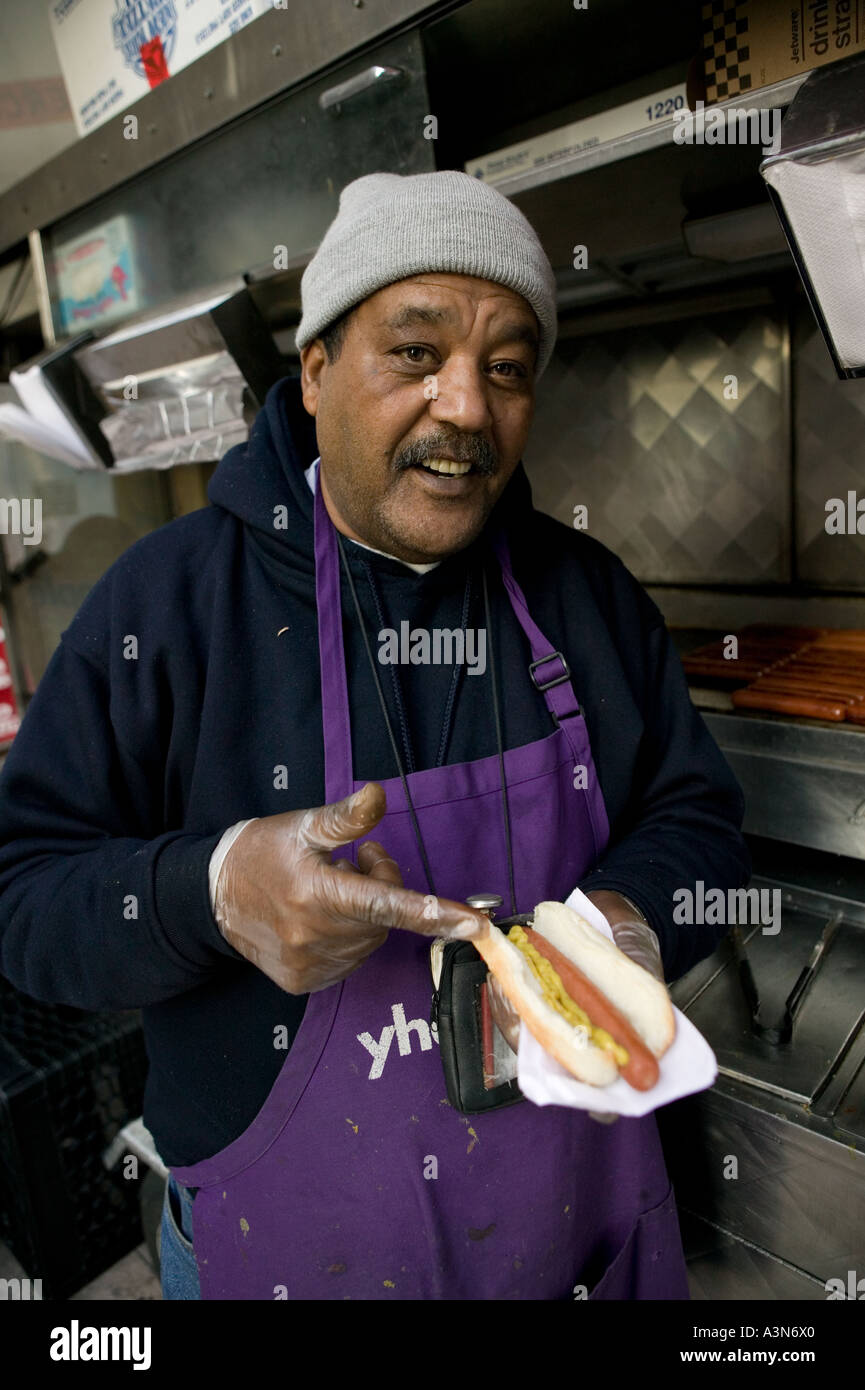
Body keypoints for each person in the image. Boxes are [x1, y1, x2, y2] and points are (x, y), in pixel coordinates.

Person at [0, 171, 749, 1301]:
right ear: (313, 372)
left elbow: (697, 815)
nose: (465, 407)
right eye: (414, 353)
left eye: (506, 369)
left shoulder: (583, 595)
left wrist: (617, 924)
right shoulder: (165, 610)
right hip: (298, 1249)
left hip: (571, 1232)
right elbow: (21, 891)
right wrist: (210, 892)